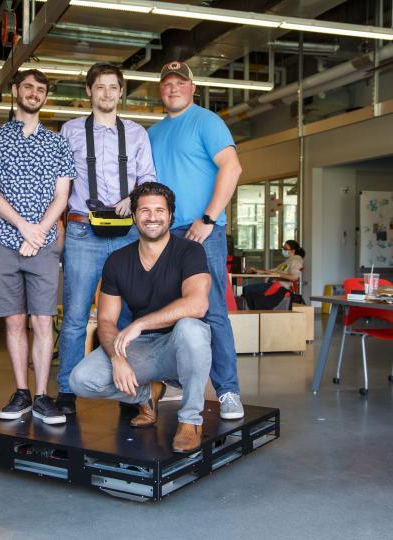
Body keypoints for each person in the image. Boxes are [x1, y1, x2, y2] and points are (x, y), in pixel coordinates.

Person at [69, 183, 212, 453]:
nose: (152, 217)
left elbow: (198, 304)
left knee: (192, 329)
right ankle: (148, 394)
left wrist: (140, 323)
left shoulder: (190, 251)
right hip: (142, 349)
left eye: (160, 210)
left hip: (178, 345)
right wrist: (116, 358)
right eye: (144, 210)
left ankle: (190, 420)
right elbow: (107, 321)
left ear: (171, 215)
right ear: (133, 216)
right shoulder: (117, 261)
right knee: (81, 380)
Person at [0, 69, 75, 425]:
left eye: (41, 89)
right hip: (3, 241)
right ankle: (21, 392)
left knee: (43, 320)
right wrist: (23, 228)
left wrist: (39, 233)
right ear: (15, 90)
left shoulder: (58, 142)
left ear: (45, 97)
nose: (34, 93)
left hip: (44, 246)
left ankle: (44, 395)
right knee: (15, 321)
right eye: (28, 87)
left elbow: (62, 196)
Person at [55, 63, 157, 415]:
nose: (107, 93)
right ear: (89, 91)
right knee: (76, 317)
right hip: (83, 230)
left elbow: (148, 178)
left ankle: (129, 392)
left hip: (127, 232)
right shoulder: (69, 131)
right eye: (100, 87)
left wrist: (135, 197)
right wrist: (58, 229)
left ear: (121, 92)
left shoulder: (137, 133)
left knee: (127, 316)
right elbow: (60, 186)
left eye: (114, 87)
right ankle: (66, 390)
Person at [147, 60, 244, 420]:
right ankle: (175, 380)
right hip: (164, 235)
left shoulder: (206, 121)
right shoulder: (153, 133)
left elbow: (232, 168)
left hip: (202, 230)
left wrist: (209, 218)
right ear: (161, 89)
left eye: (180, 83)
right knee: (168, 310)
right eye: (167, 83)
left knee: (212, 309)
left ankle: (228, 390)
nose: (173, 88)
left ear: (193, 88)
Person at [243, 240, 305, 309]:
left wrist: (279, 274)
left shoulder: (296, 260)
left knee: (248, 290)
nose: (283, 250)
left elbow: (294, 277)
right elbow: (271, 271)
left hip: (280, 288)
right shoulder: (288, 261)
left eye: (285, 249)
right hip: (273, 285)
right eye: (283, 248)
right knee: (248, 290)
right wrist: (256, 270)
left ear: (293, 250)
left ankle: (251, 313)